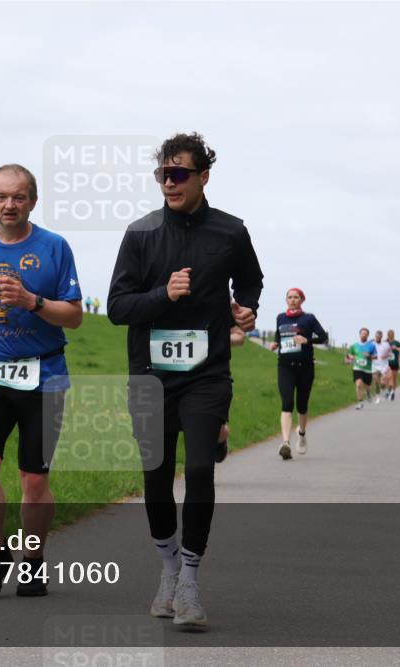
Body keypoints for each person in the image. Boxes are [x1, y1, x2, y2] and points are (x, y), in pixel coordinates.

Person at [108, 132, 263, 628]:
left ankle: (191, 581)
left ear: (203, 177)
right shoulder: (140, 234)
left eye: (178, 174)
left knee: (198, 469)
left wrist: (246, 307)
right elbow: (117, 307)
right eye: (162, 175)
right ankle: (169, 569)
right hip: (151, 376)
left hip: (206, 374)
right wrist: (163, 295)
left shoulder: (231, 232)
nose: (169, 184)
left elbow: (252, 279)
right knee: (156, 476)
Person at [0, 163, 83, 598]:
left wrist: (33, 301)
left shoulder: (54, 247)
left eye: (19, 197)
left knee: (34, 479)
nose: (9, 204)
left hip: (45, 375)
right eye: (1, 197)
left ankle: (33, 560)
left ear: (33, 200)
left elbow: (75, 315)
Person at [268, 288, 328, 459]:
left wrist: (307, 340)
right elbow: (280, 336)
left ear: (302, 300)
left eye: (296, 297)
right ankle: (286, 442)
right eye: (290, 297)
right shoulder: (281, 317)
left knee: (302, 405)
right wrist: (275, 343)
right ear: (286, 299)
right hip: (285, 366)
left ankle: (301, 434)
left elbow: (323, 337)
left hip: (305, 367)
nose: (293, 300)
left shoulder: (308, 318)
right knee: (287, 403)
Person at [215, 317, 247, 463]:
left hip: (211, 375)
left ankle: (221, 437)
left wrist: (216, 339)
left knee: (214, 429)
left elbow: (239, 336)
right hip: (171, 375)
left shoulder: (218, 297)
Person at [345, 328, 377, 410]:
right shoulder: (354, 346)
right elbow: (349, 355)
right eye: (362, 333)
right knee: (358, 384)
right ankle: (360, 402)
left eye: (365, 334)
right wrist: (350, 357)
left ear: (367, 335)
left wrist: (369, 356)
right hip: (357, 368)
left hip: (368, 369)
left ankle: (368, 394)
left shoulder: (371, 346)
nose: (364, 335)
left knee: (368, 387)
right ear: (360, 334)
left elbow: (376, 356)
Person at [371, 330, 392, 403]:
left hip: (384, 365)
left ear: (381, 337)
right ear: (375, 336)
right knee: (376, 382)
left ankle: (383, 389)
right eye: (376, 336)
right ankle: (377, 396)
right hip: (374, 365)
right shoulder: (372, 344)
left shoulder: (386, 344)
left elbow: (390, 354)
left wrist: (386, 355)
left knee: (383, 382)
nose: (377, 338)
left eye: (379, 337)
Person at [386, 329, 400, 401]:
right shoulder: (385, 342)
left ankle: (393, 392)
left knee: (394, 378)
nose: (391, 335)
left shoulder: (397, 343)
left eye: (392, 334)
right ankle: (388, 391)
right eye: (389, 334)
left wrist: (396, 348)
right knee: (388, 378)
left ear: (394, 335)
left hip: (395, 363)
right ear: (387, 335)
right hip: (387, 363)